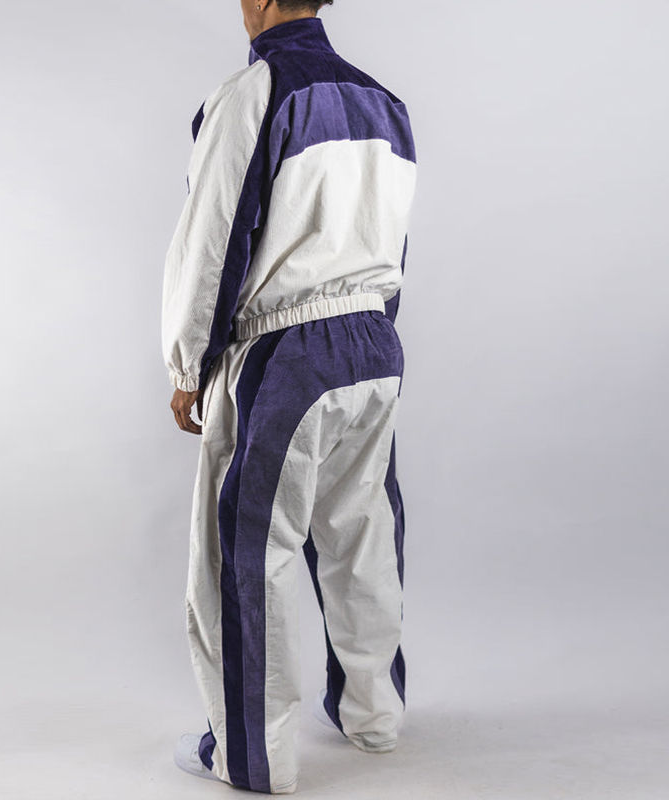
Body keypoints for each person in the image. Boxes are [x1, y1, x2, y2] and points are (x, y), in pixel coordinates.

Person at [161, 0, 416, 793]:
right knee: (363, 534)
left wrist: (188, 365)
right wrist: (372, 335)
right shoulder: (384, 102)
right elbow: (392, 233)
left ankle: (252, 757)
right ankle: (374, 716)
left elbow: (214, 238)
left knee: (245, 556)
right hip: (374, 345)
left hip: (287, 351)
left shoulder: (254, 93)